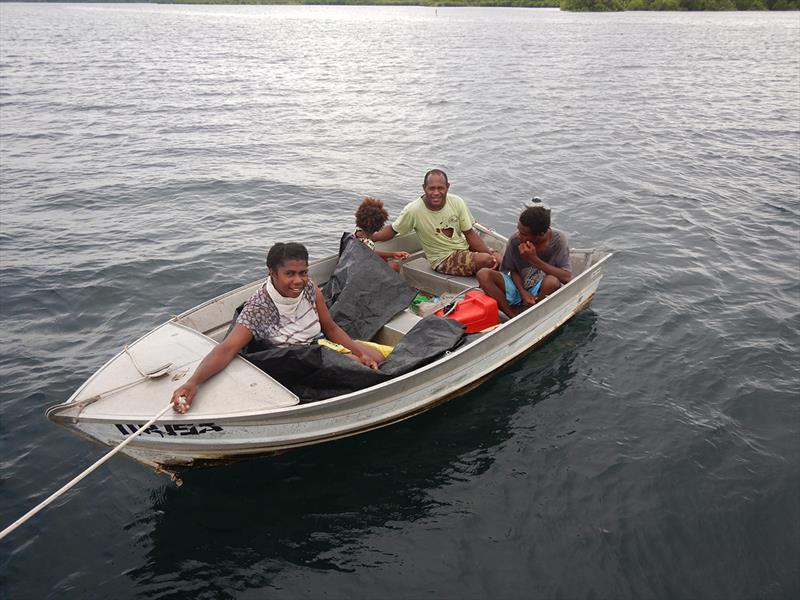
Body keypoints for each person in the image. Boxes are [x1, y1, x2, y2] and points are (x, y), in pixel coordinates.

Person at [171, 242, 385, 413]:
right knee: (362, 371)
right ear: (272, 272)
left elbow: (330, 328)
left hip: (316, 346)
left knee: (376, 358)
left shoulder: (310, 288)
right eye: (289, 274)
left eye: (303, 272)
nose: (298, 280)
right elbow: (227, 349)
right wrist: (193, 383)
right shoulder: (259, 307)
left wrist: (360, 353)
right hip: (294, 361)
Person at [370, 169, 502, 277]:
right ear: (424, 188)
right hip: (443, 259)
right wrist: (370, 236)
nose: (436, 193)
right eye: (431, 189)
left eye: (440, 188)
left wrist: (491, 255)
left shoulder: (457, 202)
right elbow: (393, 230)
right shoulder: (413, 210)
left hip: (463, 248)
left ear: (448, 187)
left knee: (499, 257)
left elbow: (470, 233)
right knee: (486, 260)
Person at [477, 203, 572, 319]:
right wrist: (522, 291)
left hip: (539, 288)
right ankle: (512, 315)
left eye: (524, 234)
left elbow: (566, 277)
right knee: (483, 274)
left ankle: (533, 313)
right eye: (518, 230)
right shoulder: (515, 240)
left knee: (552, 281)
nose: (518, 235)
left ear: (541, 234)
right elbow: (511, 270)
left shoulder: (558, 240)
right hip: (517, 284)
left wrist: (534, 259)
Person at [354, 196, 410, 271]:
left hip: (355, 266)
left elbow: (370, 252)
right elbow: (371, 254)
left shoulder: (355, 234)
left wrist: (392, 254)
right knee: (394, 266)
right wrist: (391, 257)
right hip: (365, 271)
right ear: (380, 227)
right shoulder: (368, 242)